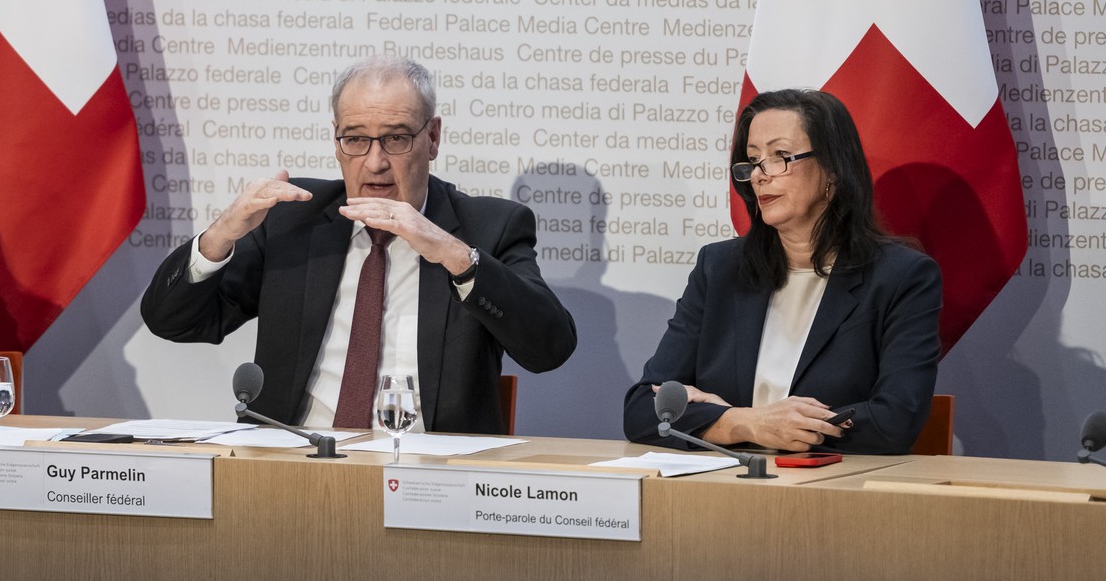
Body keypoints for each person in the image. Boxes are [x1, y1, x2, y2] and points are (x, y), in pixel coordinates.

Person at [141, 56, 577, 434]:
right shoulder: (294, 219)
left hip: (430, 474)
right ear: (336, 140)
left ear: (433, 138)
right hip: (293, 465)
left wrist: (454, 254)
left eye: (396, 138)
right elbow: (172, 322)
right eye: (355, 139)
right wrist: (221, 234)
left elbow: (549, 349)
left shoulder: (488, 227)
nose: (375, 162)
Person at [623, 88, 941, 454]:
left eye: (780, 157)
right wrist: (747, 422)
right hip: (724, 482)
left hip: (838, 484)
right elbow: (644, 410)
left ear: (833, 169)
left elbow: (895, 421)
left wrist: (751, 424)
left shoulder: (901, 277)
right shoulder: (720, 268)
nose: (759, 175)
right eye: (753, 160)